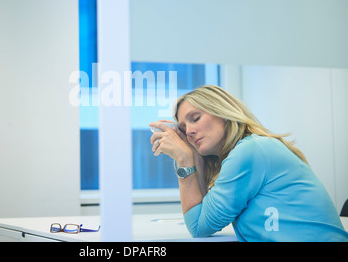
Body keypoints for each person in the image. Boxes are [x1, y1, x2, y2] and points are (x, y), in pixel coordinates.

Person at [149, 85, 348, 242]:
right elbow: (202, 219)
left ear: (223, 113)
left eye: (195, 118)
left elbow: (199, 227)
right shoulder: (251, 149)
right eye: (183, 129)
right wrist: (193, 157)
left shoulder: (249, 151)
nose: (189, 131)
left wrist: (184, 160)